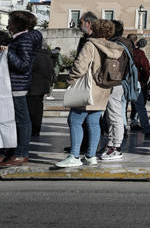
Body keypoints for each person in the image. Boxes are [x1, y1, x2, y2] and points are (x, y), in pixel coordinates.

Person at [54, 20, 118, 168]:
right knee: (94, 123)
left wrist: (70, 79)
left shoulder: (91, 45)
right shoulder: (115, 48)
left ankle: (74, 155)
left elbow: (80, 66)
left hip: (88, 88)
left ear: (95, 29)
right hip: (104, 89)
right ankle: (91, 155)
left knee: (74, 120)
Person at [0, 11, 43, 167]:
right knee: (9, 120)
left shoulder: (24, 40)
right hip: (9, 85)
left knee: (21, 121)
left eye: (11, 22)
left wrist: (7, 51)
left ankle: (21, 153)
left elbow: (23, 65)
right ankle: (8, 151)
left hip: (16, 85)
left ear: (18, 24)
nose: (8, 25)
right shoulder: (16, 39)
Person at [100, 21, 135, 161]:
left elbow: (113, 65)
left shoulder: (117, 45)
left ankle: (117, 147)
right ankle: (111, 144)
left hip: (114, 82)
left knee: (115, 115)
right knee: (111, 115)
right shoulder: (124, 43)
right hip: (117, 82)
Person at [27, 46, 55, 137]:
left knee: (31, 110)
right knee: (38, 110)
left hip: (33, 87)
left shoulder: (34, 56)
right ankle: (36, 130)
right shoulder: (47, 56)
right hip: (43, 87)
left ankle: (31, 130)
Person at [128, 36, 150, 137]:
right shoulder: (139, 53)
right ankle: (146, 129)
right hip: (135, 82)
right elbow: (146, 69)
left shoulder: (122, 50)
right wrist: (143, 82)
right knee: (140, 106)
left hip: (122, 82)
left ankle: (121, 128)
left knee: (121, 106)